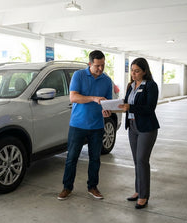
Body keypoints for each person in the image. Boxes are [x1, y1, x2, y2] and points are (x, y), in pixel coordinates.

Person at [57, 50, 112, 200]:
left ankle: (93, 187)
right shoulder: (79, 75)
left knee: (95, 159)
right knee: (72, 158)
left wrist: (107, 112)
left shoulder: (107, 81)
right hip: (78, 125)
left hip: (97, 126)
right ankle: (67, 187)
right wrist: (93, 98)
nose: (100, 69)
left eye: (103, 65)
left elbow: (107, 104)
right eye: (97, 66)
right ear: (89, 64)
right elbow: (73, 97)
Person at [118, 57, 160, 209]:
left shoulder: (150, 85)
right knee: (136, 161)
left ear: (144, 71)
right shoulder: (131, 85)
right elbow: (126, 102)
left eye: (137, 71)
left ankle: (144, 196)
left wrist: (131, 107)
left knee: (142, 160)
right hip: (133, 126)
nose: (133, 74)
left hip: (146, 128)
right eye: (132, 71)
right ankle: (138, 191)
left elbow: (150, 108)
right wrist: (115, 105)